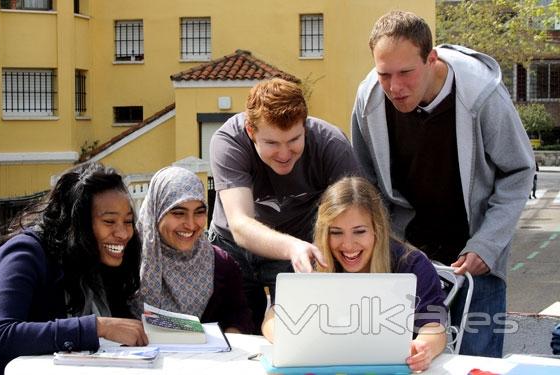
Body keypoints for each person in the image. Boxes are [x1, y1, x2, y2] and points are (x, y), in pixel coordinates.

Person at [351, 10, 535, 357]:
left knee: (478, 360)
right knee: (405, 358)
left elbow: (519, 170)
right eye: (384, 74)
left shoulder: (483, 95)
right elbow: (365, 181)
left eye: (406, 72)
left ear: (431, 59)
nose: (394, 87)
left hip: (476, 257)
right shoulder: (368, 99)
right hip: (405, 256)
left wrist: (487, 243)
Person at [0, 162, 147, 374]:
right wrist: (98, 327)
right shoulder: (25, 253)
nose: (123, 233)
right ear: (76, 223)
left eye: (128, 222)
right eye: (109, 222)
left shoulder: (96, 262)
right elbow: (0, 337)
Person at [208, 77, 361, 332]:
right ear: (250, 131)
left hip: (300, 249)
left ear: (305, 126)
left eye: (293, 140)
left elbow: (360, 217)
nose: (284, 154)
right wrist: (291, 247)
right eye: (271, 143)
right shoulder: (228, 141)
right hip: (233, 249)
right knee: (234, 336)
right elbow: (240, 223)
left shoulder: (332, 145)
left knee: (295, 331)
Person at [262, 177, 446, 372]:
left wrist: (424, 347)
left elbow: (434, 327)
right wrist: (287, 342)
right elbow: (272, 318)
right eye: (336, 232)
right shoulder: (311, 262)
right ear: (324, 232)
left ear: (377, 229)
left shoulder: (412, 264)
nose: (348, 245)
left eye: (359, 231)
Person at [133, 166, 253, 333]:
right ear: (157, 211)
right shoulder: (130, 260)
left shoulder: (221, 265)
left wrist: (230, 337)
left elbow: (239, 316)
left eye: (199, 212)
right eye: (178, 213)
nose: (190, 224)